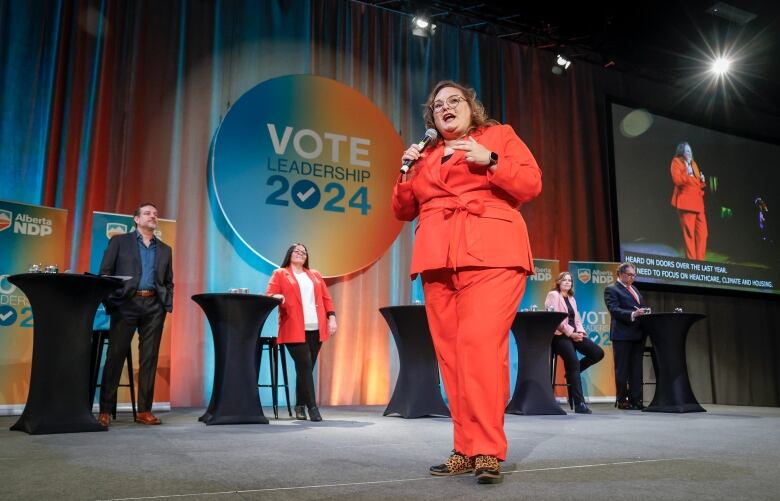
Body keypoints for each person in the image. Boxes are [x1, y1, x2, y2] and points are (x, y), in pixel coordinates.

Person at [392, 80, 542, 484]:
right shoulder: (424, 154)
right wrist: (404, 171)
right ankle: (464, 447)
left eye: (453, 100)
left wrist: (490, 159)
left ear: (471, 107)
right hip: (438, 259)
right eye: (437, 105)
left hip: (491, 252)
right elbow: (403, 209)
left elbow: (530, 184)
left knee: (478, 347)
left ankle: (488, 450)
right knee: (453, 358)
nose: (445, 108)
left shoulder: (499, 136)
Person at [98, 203, 173, 428]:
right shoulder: (119, 242)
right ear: (136, 219)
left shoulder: (165, 249)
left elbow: (168, 280)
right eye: (148, 213)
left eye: (156, 214)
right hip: (126, 304)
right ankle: (105, 411)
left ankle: (144, 410)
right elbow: (105, 274)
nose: (153, 216)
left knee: (149, 359)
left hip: (154, 306)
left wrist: (165, 301)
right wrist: (114, 300)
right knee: (115, 356)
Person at [266, 243, 337, 422]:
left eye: (304, 252)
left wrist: (332, 318)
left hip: (316, 327)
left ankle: (299, 406)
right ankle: (312, 407)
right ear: (289, 254)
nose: (300, 254)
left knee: (305, 369)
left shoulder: (315, 274)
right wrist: (278, 297)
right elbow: (270, 294)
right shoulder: (280, 273)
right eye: (297, 251)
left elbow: (326, 298)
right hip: (293, 327)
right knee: (304, 366)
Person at [544, 272, 604, 414]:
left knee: (597, 353)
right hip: (560, 336)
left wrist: (580, 333)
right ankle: (579, 404)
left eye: (570, 280)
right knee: (574, 363)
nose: (567, 282)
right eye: (564, 280)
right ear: (558, 282)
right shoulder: (553, 295)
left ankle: (571, 374)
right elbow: (555, 319)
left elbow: (576, 319)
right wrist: (571, 333)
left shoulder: (571, 298)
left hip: (575, 334)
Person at [603, 262, 649, 410]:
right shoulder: (611, 289)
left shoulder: (634, 288)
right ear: (620, 274)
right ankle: (622, 399)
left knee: (636, 369)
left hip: (637, 334)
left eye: (634, 275)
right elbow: (614, 310)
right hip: (622, 334)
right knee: (622, 369)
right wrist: (633, 314)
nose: (632, 278)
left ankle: (636, 399)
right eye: (629, 275)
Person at [670, 142, 707, 260]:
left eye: (690, 151)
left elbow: (697, 184)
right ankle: (692, 263)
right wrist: (688, 174)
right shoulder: (676, 162)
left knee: (703, 234)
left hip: (698, 203)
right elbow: (677, 180)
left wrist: (701, 180)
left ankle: (700, 262)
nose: (689, 153)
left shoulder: (694, 164)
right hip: (686, 203)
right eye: (687, 151)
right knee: (689, 235)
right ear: (681, 152)